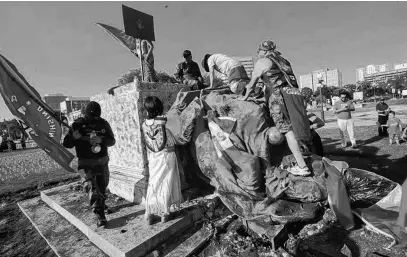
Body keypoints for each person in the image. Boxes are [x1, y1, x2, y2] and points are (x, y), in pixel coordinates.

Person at [242, 40, 311, 176]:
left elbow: (251, 85)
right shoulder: (283, 61)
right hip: (294, 94)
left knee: (286, 130)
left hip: (279, 97)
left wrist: (243, 98)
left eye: (259, 51)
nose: (258, 53)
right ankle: (305, 154)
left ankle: (302, 166)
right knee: (296, 127)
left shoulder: (263, 62)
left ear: (265, 51)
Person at [63, 101, 116, 227]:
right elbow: (66, 143)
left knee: (103, 185)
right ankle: (100, 214)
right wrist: (74, 137)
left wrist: (101, 139)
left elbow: (112, 140)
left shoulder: (103, 123)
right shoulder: (77, 125)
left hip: (102, 163)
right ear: (86, 114)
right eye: (92, 117)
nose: (95, 120)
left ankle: (101, 203)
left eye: (97, 117)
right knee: (91, 187)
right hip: (85, 164)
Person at [142, 96, 183, 225]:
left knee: (153, 183)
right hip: (167, 155)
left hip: (153, 157)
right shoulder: (164, 120)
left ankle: (149, 214)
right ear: (159, 107)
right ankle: (165, 213)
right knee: (167, 183)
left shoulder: (144, 124)